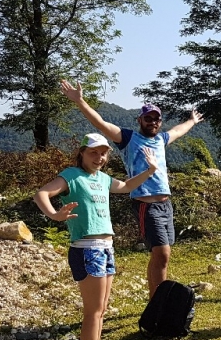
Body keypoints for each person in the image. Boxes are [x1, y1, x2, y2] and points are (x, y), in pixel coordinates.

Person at [60, 79, 203, 299]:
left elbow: (178, 130)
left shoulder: (162, 139)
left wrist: (192, 121)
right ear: (140, 120)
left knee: (163, 255)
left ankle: (157, 301)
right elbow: (100, 124)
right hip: (147, 205)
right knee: (161, 253)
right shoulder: (128, 139)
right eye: (148, 118)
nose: (153, 122)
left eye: (156, 119)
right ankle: (158, 303)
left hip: (166, 205)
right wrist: (80, 102)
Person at [34, 133, 159, 340]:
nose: (99, 157)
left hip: (106, 247)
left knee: (100, 311)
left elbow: (124, 187)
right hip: (86, 247)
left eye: (103, 153)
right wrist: (55, 215)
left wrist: (150, 171)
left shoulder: (102, 178)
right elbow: (42, 194)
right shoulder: (71, 175)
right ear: (81, 153)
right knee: (93, 312)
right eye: (93, 152)